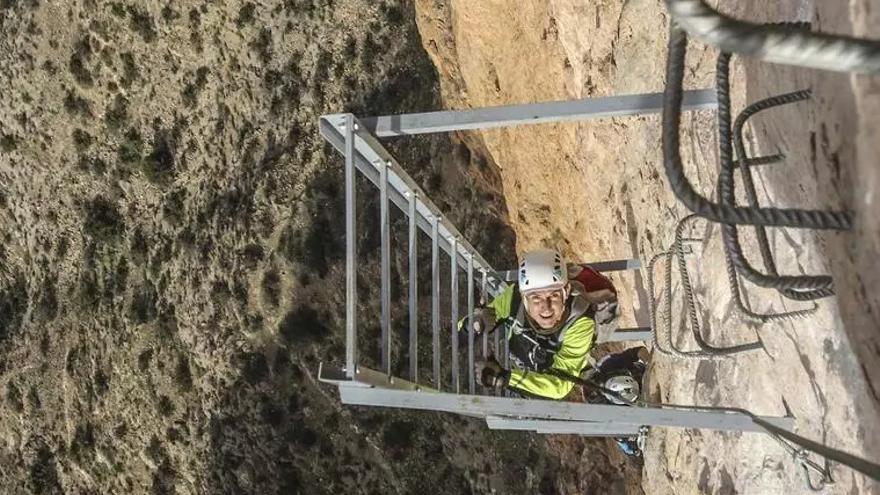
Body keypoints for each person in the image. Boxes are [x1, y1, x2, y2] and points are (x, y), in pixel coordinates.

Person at [468, 248, 617, 399]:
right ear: (524, 297)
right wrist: (473, 324)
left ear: (566, 292)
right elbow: (467, 325)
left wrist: (504, 378)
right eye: (536, 298)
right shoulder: (514, 299)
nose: (546, 307)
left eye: (553, 295)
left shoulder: (581, 323)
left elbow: (560, 385)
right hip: (536, 350)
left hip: (559, 349)